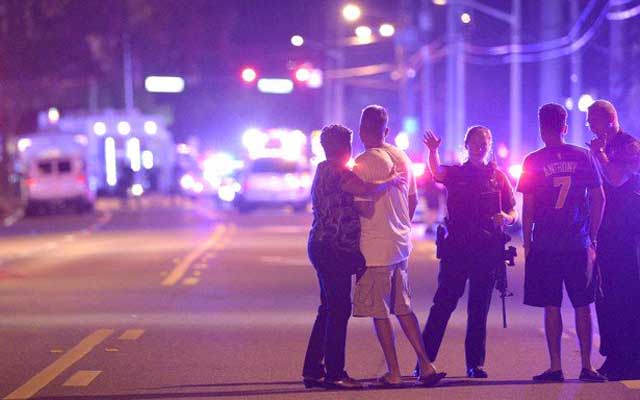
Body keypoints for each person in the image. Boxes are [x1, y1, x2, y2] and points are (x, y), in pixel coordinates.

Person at [302, 124, 403, 390]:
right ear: (345, 147)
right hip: (334, 249)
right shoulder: (339, 173)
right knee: (338, 310)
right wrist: (390, 181)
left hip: (320, 245)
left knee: (327, 309)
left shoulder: (322, 169)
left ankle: (313, 369)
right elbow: (367, 188)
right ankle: (335, 373)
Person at [351, 105, 446, 387]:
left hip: (374, 247)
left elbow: (363, 208)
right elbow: (412, 200)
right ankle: (426, 365)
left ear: (361, 131)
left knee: (380, 312)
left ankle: (394, 372)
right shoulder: (402, 157)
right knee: (403, 307)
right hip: (400, 244)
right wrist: (400, 221)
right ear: (387, 130)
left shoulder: (363, 162)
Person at [418, 126, 517, 379]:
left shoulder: (498, 177)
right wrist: (433, 151)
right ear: (466, 144)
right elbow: (436, 172)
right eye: (475, 141)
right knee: (443, 304)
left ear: (490, 144)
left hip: (486, 250)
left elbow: (512, 212)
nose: (480, 145)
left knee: (478, 308)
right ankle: (424, 362)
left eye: (484, 141)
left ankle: (475, 364)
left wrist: (504, 218)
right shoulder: (456, 173)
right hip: (457, 249)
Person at [518, 103, 606, 382]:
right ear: (565, 127)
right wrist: (592, 235)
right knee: (583, 304)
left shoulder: (532, 161)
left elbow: (528, 205)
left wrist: (527, 240)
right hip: (577, 241)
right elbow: (599, 199)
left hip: (545, 242)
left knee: (551, 305)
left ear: (542, 129)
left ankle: (555, 366)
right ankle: (587, 366)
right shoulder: (583, 156)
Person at [586, 100, 640, 380]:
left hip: (627, 232)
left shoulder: (630, 146)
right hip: (604, 231)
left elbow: (617, 179)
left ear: (608, 120)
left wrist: (601, 156)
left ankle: (631, 358)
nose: (590, 129)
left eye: (592, 122)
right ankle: (613, 354)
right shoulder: (598, 149)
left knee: (627, 296)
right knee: (604, 295)